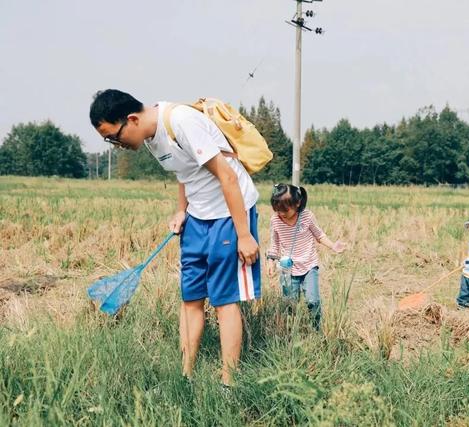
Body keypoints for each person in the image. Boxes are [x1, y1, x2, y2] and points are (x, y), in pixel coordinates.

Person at [89, 89, 260, 385]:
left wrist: (243, 235)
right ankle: (186, 376)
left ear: (131, 119)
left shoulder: (180, 121)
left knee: (223, 300)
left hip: (228, 216)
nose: (115, 145)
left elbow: (228, 177)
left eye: (114, 137)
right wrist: (182, 210)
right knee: (190, 297)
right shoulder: (151, 137)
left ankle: (228, 382)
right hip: (197, 218)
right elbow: (185, 174)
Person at [266, 184, 346, 331]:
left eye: (285, 210)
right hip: (288, 269)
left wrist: (333, 245)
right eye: (277, 209)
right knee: (289, 303)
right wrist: (270, 261)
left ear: (297, 203)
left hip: (309, 265)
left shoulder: (307, 216)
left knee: (313, 300)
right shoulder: (275, 220)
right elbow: (274, 244)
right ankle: (291, 331)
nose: (281, 213)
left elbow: (319, 235)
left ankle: (316, 329)